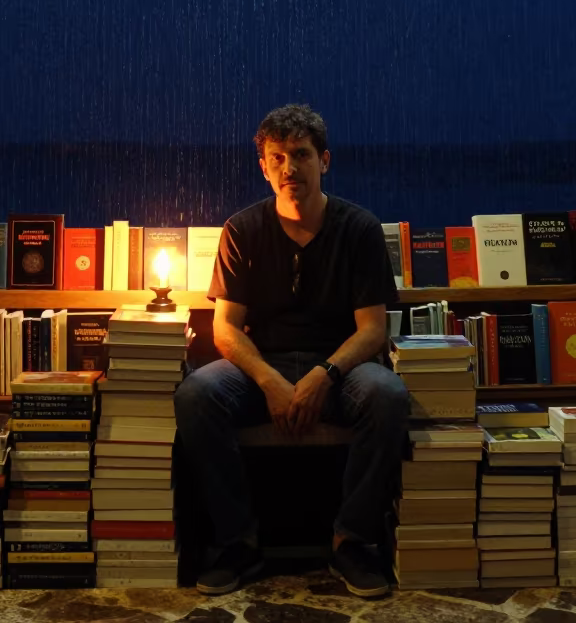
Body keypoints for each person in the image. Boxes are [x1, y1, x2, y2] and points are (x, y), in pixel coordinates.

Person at [174, 104, 409, 598]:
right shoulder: (242, 230)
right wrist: (270, 382)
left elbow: (372, 330)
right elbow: (226, 328)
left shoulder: (359, 229)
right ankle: (238, 541)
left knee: (387, 394)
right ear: (263, 166)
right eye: (276, 157)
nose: (289, 168)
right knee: (197, 394)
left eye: (300, 155)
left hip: (342, 367)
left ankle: (353, 541)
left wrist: (323, 374)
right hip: (265, 366)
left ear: (324, 160)